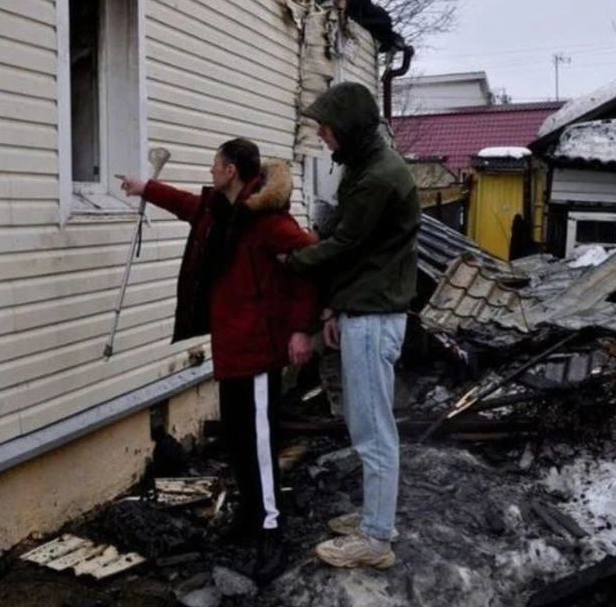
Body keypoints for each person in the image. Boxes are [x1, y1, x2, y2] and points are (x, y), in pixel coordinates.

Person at [118, 138, 318, 585]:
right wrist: (145, 187)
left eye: (215, 163)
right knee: (237, 441)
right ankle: (249, 516)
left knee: (262, 449)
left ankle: (272, 531)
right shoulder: (217, 212)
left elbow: (310, 264)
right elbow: (187, 204)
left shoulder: (269, 222)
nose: (210, 169)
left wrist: (303, 328)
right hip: (229, 352)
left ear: (231, 170)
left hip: (260, 353)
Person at [284, 82, 421, 570]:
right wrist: (333, 308)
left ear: (349, 128)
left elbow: (344, 245)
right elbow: (356, 244)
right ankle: (375, 516)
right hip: (364, 307)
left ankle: (376, 539)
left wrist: (292, 260)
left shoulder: (378, 179)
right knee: (368, 423)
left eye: (325, 127)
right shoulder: (366, 167)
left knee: (373, 430)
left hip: (375, 314)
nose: (320, 135)